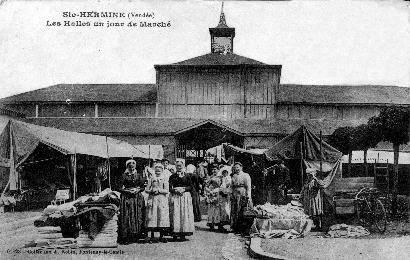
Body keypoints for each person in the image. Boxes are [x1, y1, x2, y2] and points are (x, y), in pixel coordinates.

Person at [118, 159, 147, 244]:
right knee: (127, 216)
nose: (131, 167)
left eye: (133, 165)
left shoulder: (138, 175)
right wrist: (127, 191)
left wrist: (137, 190)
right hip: (127, 197)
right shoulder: (124, 176)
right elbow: (118, 187)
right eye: (130, 166)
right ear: (127, 167)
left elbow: (142, 187)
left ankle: (137, 235)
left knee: (138, 215)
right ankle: (126, 237)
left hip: (137, 197)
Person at [169, 160, 195, 240]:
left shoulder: (187, 176)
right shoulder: (172, 176)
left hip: (185, 196)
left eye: (180, 166)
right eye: (177, 166)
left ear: (183, 166)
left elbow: (191, 187)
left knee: (184, 213)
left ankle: (183, 233)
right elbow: (169, 187)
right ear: (175, 167)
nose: (179, 167)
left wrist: (184, 189)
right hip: (176, 196)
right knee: (175, 213)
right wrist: (175, 190)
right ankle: (175, 233)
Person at [145, 164, 170, 243]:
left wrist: (159, 190)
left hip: (161, 199)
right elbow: (146, 189)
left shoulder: (164, 179)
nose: (157, 172)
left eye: (159, 171)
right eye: (156, 171)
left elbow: (166, 190)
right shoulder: (151, 179)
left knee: (161, 216)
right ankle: (152, 236)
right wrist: (151, 191)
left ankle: (161, 236)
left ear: (162, 171)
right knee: (153, 216)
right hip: (153, 199)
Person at [204, 163, 229, 231]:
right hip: (212, 195)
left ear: (218, 170)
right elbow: (206, 186)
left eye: (215, 169)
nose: (214, 171)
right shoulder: (210, 177)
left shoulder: (222, 178)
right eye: (212, 169)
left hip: (220, 195)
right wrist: (209, 191)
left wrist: (218, 189)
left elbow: (224, 186)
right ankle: (211, 224)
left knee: (220, 210)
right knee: (212, 210)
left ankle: (220, 225)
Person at [230, 162, 252, 233]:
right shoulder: (233, 176)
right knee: (234, 210)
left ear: (241, 167)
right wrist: (231, 194)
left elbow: (248, 186)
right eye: (235, 168)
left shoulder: (245, 175)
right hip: (235, 193)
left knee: (241, 210)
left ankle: (241, 228)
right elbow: (231, 186)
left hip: (242, 193)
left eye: (238, 167)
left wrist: (249, 195)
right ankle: (234, 227)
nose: (236, 169)